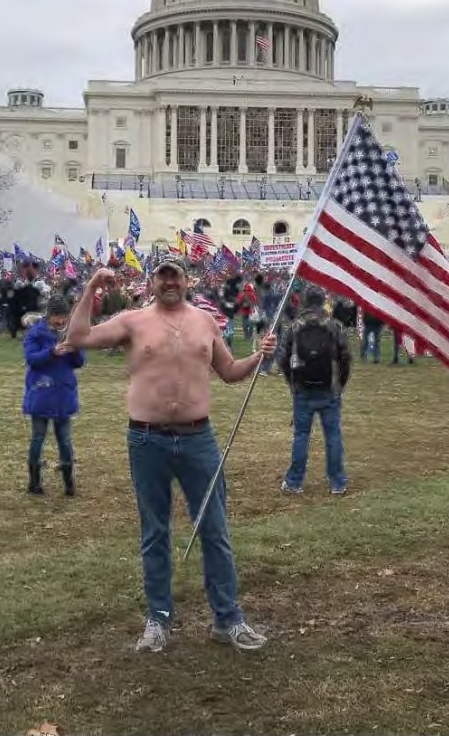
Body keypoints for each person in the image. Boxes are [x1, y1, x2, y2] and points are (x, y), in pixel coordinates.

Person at [66, 255, 277, 654]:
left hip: (199, 440)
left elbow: (229, 371)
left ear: (186, 280)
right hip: (147, 441)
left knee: (215, 531)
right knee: (155, 533)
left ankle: (228, 619)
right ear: (152, 282)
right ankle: (158, 620)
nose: (168, 282)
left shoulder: (205, 322)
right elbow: (79, 338)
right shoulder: (133, 320)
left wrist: (258, 356)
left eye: (174, 275)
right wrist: (92, 287)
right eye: (161, 276)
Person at [277, 285, 351, 495]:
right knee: (333, 435)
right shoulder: (334, 326)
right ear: (322, 302)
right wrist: (340, 385)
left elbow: (283, 359)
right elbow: (345, 358)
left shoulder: (294, 327)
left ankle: (294, 482)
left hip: (302, 389)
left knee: (301, 435)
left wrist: (292, 383)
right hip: (329, 389)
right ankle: (338, 482)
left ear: (304, 302)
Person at [22, 294, 85, 497]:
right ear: (49, 315)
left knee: (65, 441)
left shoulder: (71, 334)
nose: (60, 320)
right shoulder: (36, 334)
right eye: (56, 316)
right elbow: (31, 359)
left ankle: (69, 482)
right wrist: (51, 353)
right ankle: (34, 481)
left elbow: (79, 362)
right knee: (38, 438)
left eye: (63, 316)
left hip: (63, 394)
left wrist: (74, 351)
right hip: (42, 392)